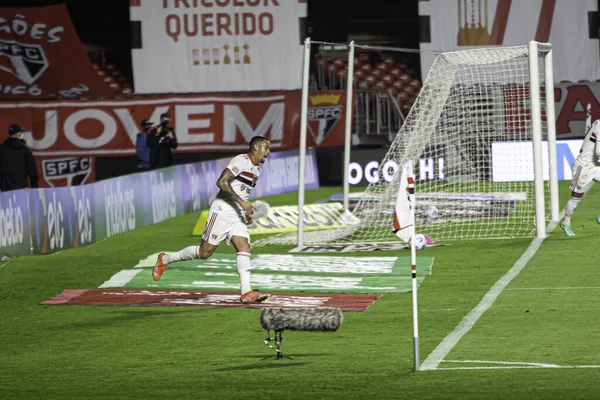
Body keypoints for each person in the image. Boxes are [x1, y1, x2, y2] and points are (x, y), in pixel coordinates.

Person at [152, 135, 271, 303]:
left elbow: (240, 192)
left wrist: (245, 212)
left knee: (244, 248)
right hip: (222, 211)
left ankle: (246, 292)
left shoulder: (256, 170)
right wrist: (243, 204)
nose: (268, 152)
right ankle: (165, 259)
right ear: (255, 148)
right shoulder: (241, 161)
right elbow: (222, 183)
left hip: (236, 215)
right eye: (266, 148)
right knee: (204, 252)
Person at [560, 105, 600, 236]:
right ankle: (566, 222)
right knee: (577, 196)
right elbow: (598, 151)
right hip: (583, 166)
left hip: (595, 165)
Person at [0, 124, 39, 192]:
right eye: (21, 133)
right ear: (18, 134)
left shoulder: (1, 148)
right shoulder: (25, 150)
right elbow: (33, 170)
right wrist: (34, 188)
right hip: (22, 190)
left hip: (5, 190)